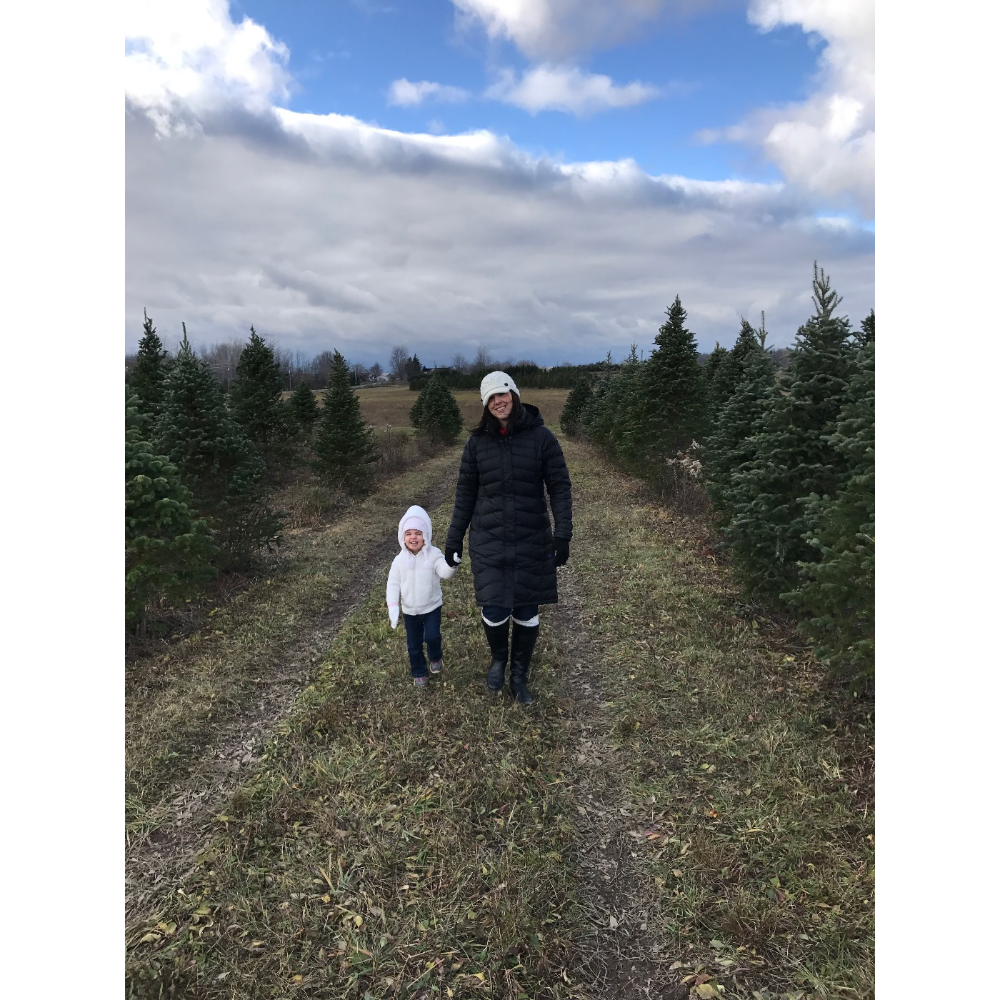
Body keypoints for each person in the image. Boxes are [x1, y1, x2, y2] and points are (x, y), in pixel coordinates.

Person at [445, 371, 572, 704]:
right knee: (495, 607)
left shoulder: (542, 438)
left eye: (503, 394)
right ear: (486, 405)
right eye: (491, 398)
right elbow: (465, 495)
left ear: (514, 395)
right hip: (489, 539)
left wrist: (563, 535)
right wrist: (454, 539)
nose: (498, 401)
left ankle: (518, 674)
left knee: (527, 608)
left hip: (532, 538)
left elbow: (559, 487)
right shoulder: (476, 444)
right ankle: (499, 658)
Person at [386, 505, 457, 688]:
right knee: (413, 645)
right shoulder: (399, 561)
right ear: (403, 536)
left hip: (432, 607)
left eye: (418, 533)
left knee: (433, 636)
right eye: (409, 533)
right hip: (410, 611)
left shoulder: (434, 555)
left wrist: (452, 564)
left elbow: (445, 572)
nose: (413, 537)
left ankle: (435, 657)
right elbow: (392, 584)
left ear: (426, 534)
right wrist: (393, 607)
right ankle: (419, 672)